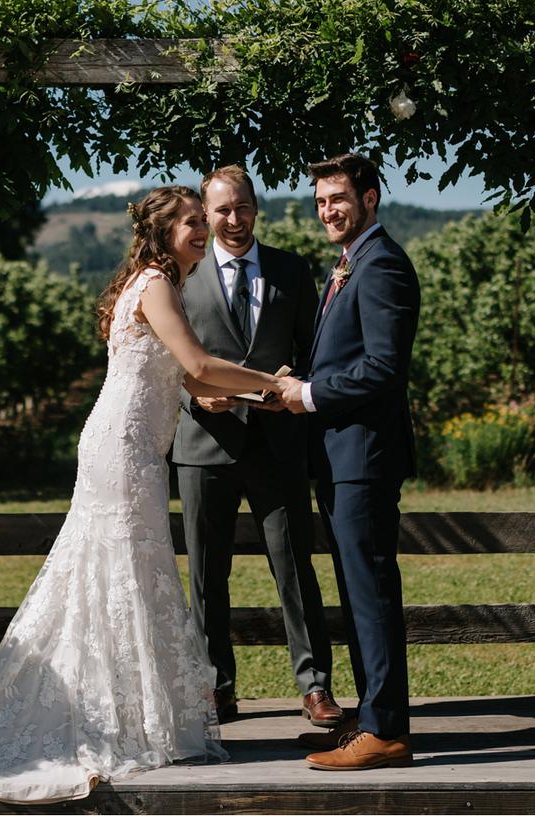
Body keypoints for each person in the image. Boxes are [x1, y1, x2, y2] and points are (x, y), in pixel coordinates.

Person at [0, 186, 287, 809]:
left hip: (126, 444)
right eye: (190, 223)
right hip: (124, 449)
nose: (200, 231)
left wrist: (245, 396)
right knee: (122, 573)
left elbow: (186, 378)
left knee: (124, 573)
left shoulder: (155, 283)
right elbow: (196, 359)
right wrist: (277, 382)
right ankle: (118, 722)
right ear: (163, 233)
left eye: (200, 222)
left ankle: (130, 716)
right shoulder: (159, 284)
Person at [171, 165, 340, 728]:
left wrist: (295, 379)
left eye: (242, 207)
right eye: (222, 210)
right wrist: (197, 399)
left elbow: (316, 352)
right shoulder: (181, 275)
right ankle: (216, 687)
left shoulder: (292, 269)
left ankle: (315, 686)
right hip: (203, 444)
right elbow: (162, 366)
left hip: (278, 443)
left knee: (295, 568)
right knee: (205, 575)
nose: (234, 219)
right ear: (205, 212)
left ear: (255, 207)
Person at [276, 153, 420, 771]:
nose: (328, 210)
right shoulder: (352, 263)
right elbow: (345, 360)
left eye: (338, 198)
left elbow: (384, 369)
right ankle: (369, 720)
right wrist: (293, 380)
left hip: (362, 457)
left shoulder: (382, 264)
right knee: (358, 594)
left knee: (371, 594)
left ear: (370, 198)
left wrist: (306, 396)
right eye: (320, 201)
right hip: (341, 457)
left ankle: (386, 731)